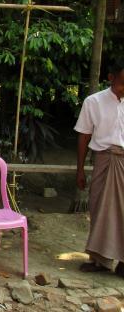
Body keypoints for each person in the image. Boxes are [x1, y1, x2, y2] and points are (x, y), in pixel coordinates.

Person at [75, 60, 124, 278]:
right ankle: (100, 260)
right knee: (98, 210)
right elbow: (84, 136)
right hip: (103, 161)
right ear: (111, 78)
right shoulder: (93, 102)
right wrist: (80, 170)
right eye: (123, 82)